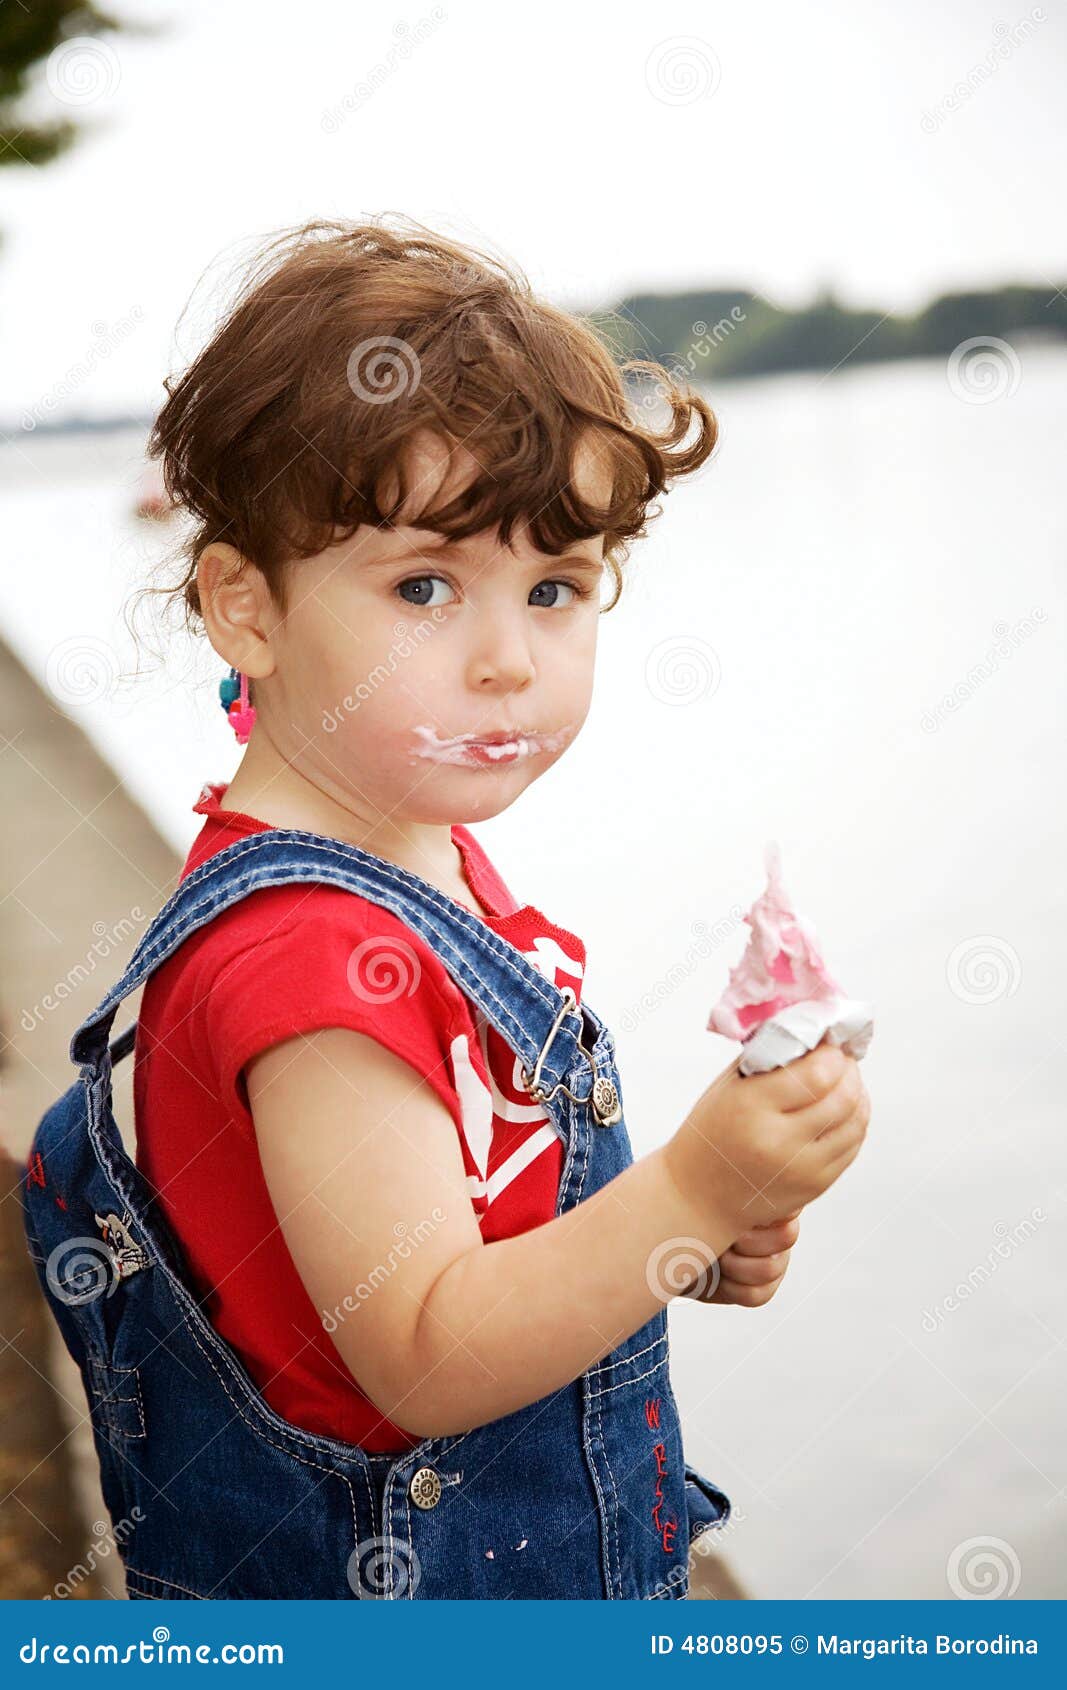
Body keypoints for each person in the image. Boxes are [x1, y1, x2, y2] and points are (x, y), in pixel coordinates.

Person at [27, 218, 870, 1601]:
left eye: (555, 589)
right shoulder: (311, 960)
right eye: (425, 586)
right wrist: (695, 1182)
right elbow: (422, 1349)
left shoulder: (420, 851)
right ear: (246, 608)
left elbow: (469, 1226)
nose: (505, 661)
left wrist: (677, 1243)